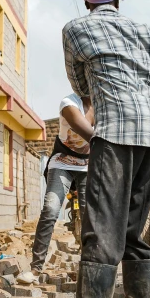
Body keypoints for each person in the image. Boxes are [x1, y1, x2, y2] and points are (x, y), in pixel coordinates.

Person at [36, 0, 150, 298]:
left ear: (86, 1)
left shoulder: (75, 29)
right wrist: (149, 112)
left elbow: (80, 84)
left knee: (101, 224)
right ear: (119, 1)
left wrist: (108, 102)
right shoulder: (145, 30)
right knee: (134, 225)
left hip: (114, 133)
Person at [16, 94, 94, 285]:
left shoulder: (106, 102)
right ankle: (35, 269)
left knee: (89, 216)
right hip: (62, 162)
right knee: (51, 209)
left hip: (88, 166)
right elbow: (86, 130)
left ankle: (89, 271)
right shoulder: (69, 103)